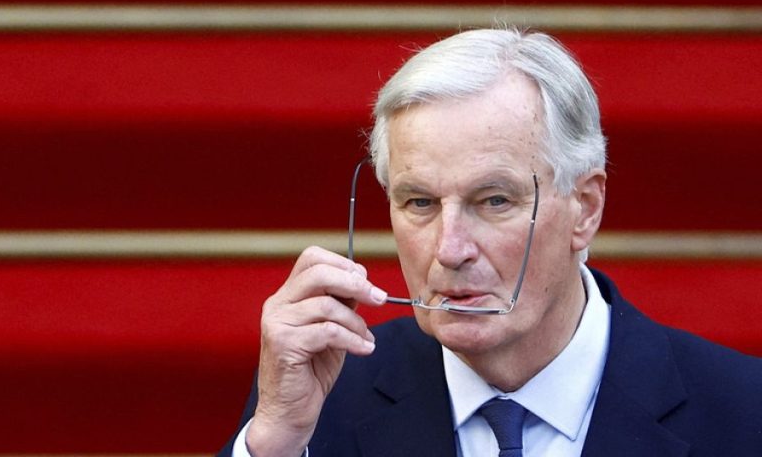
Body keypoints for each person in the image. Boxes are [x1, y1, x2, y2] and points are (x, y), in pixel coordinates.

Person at [220, 28, 762, 456]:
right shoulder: (324, 404)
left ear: (586, 208)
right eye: (420, 203)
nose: (449, 250)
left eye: (494, 201)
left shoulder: (743, 412)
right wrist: (273, 444)